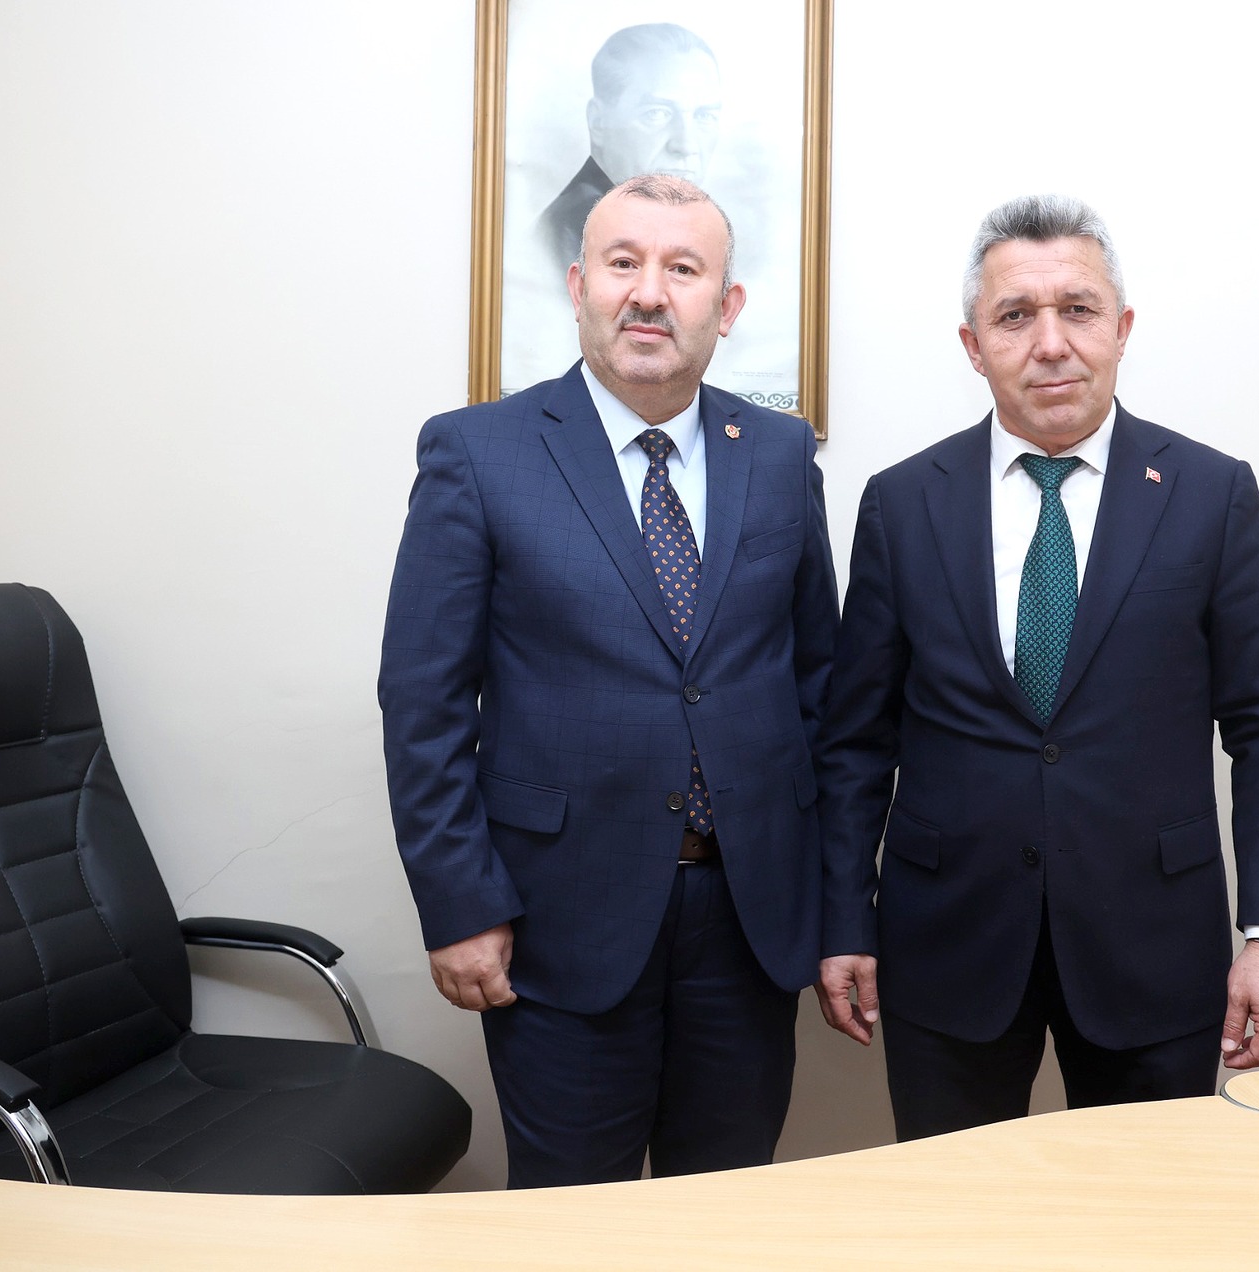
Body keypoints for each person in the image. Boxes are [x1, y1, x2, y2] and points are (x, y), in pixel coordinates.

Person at [814, 195, 1259, 1141]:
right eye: (1015, 316)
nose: (1051, 343)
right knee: (953, 1209)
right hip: (948, 945)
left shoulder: (1210, 496)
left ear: (1121, 329)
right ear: (973, 345)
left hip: (1153, 944)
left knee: (1151, 1209)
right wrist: (843, 917)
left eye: (1078, 310)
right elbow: (855, 743)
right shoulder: (902, 504)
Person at [380, 174, 836, 1186]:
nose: (649, 292)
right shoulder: (478, 453)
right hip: (559, 917)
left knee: (721, 1213)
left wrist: (835, 903)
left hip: (750, 917)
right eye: (623, 263)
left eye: (683, 269)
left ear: (727, 306)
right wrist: (459, 902)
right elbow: (423, 706)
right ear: (579, 285)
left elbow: (820, 688)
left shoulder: (776, 453)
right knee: (567, 1225)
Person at [536, 24, 723, 273]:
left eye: (704, 116)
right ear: (598, 122)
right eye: (657, 114)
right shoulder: (563, 243)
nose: (686, 145)